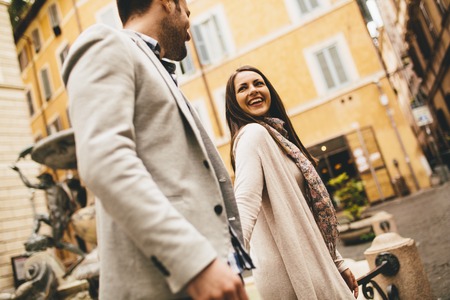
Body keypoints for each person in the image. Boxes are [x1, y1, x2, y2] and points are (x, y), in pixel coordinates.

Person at [62, 0, 250, 299]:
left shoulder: (157, 67)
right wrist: (195, 263)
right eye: (187, 10)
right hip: (168, 282)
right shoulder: (105, 43)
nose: (189, 23)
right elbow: (105, 161)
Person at [225, 65, 359, 299]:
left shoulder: (279, 138)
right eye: (242, 88)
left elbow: (308, 210)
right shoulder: (253, 135)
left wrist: (337, 262)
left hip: (311, 260)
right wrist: (229, 267)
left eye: (258, 83)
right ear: (234, 102)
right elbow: (245, 201)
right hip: (291, 270)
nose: (253, 91)